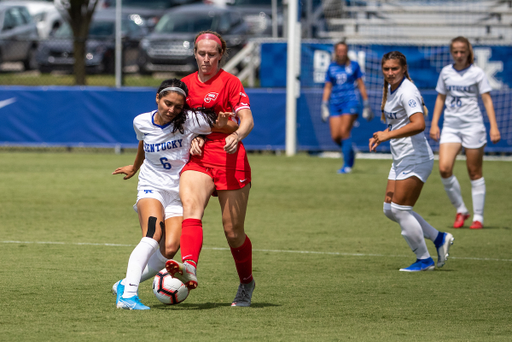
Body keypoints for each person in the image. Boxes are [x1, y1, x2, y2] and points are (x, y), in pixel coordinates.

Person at [111, 78, 235, 310]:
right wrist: (135, 166)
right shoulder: (141, 121)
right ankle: (128, 296)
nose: (172, 110)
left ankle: (125, 282)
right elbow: (143, 143)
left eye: (178, 106)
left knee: (169, 249)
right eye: (167, 103)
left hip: (179, 190)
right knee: (152, 236)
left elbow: (229, 128)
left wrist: (223, 125)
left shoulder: (190, 120)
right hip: (151, 186)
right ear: (157, 98)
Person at [164, 30, 256, 307]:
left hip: (230, 158)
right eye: (201, 54)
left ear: (220, 56)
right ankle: (189, 265)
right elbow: (178, 122)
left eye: (211, 55)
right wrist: (194, 138)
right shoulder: (185, 85)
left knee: (232, 232)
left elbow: (247, 119)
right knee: (191, 210)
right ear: (194, 53)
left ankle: (246, 281)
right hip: (199, 159)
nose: (206, 59)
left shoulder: (230, 82)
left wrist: (236, 135)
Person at [369, 51, 454, 272]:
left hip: (415, 158)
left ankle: (424, 260)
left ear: (404, 68)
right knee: (390, 209)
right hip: (400, 158)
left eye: (394, 69)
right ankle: (438, 238)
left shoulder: (407, 91)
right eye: (386, 69)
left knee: (400, 209)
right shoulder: (390, 88)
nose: (390, 73)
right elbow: (398, 123)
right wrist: (383, 134)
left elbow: (419, 124)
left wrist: (387, 135)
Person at [429, 36, 501, 229]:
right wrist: (434, 123)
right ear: (451, 53)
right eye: (456, 52)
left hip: (473, 126)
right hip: (451, 127)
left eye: (462, 51)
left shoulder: (477, 73)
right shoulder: (446, 72)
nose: (459, 55)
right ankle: (461, 210)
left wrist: (493, 126)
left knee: (474, 172)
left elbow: (487, 100)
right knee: (444, 169)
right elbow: (440, 98)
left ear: (468, 52)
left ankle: (478, 217)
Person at [321, 41, 373, 174]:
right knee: (336, 136)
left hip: (350, 102)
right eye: (339, 50)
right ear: (335, 52)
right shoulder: (331, 67)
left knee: (344, 132)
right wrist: (324, 104)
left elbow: (361, 85)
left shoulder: (354, 66)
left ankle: (347, 165)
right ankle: (350, 151)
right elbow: (328, 86)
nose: (341, 53)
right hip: (335, 103)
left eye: (344, 50)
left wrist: (366, 103)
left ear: (347, 52)